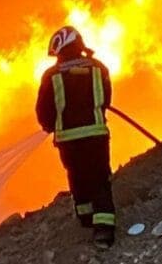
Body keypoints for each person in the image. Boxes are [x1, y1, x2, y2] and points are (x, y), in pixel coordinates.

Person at [35, 26, 116, 249]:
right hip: (97, 135)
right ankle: (104, 231)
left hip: (69, 141)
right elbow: (106, 100)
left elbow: (43, 110)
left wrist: (49, 126)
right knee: (100, 178)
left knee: (78, 177)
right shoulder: (99, 68)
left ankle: (86, 218)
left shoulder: (51, 75)